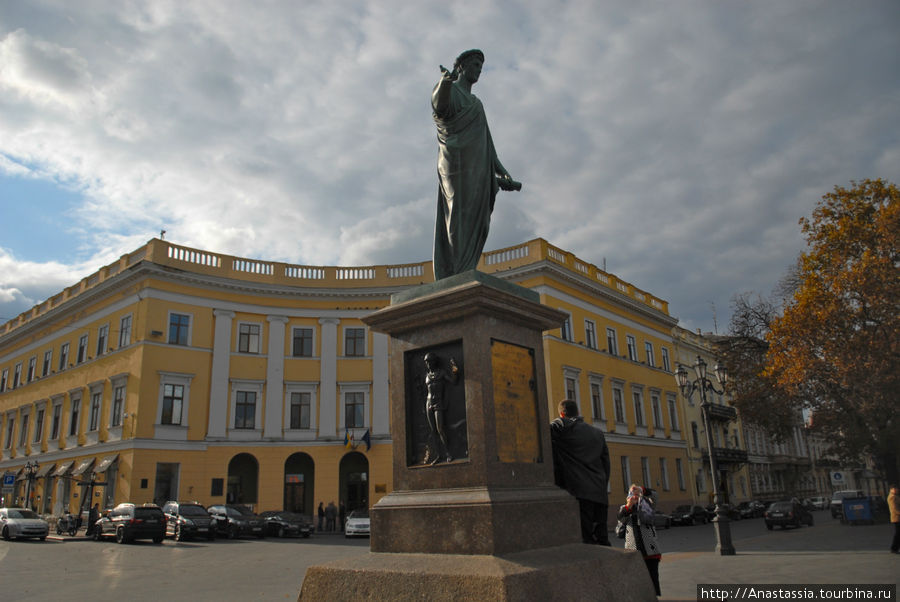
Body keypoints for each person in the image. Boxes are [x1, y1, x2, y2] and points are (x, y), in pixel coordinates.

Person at [431, 49, 520, 280]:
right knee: (457, 211)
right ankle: (456, 271)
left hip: (478, 165)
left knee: (478, 219)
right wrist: (445, 82)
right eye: (475, 65)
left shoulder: (477, 104)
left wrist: (500, 169)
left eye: (481, 66)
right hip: (454, 162)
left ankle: (466, 267)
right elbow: (440, 108)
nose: (479, 70)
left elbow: (487, 142)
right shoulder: (449, 90)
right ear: (461, 67)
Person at [550, 399, 611, 545]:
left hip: (579, 493)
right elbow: (606, 464)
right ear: (578, 412)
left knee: (586, 540)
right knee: (602, 540)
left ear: (561, 414)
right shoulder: (597, 433)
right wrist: (602, 484)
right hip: (600, 493)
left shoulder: (562, 427)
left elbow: (550, 428)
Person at [618, 484, 662, 596]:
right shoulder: (624, 508)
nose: (635, 497)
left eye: (637, 494)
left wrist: (642, 489)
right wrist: (629, 506)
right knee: (636, 582)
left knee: (652, 581)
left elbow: (655, 496)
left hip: (650, 552)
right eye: (633, 494)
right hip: (633, 552)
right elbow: (621, 519)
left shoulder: (647, 505)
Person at [423, 352, 459, 464]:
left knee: (440, 429)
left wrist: (455, 370)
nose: (428, 364)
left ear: (435, 361)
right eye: (426, 362)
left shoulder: (441, 373)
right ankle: (438, 455)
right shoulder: (427, 375)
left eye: (430, 361)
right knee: (433, 431)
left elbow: (453, 381)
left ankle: (448, 453)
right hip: (429, 403)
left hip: (438, 403)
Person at [889, 485, 899, 554]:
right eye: (894, 489)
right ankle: (894, 548)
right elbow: (894, 509)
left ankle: (895, 548)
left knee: (898, 534)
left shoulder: (896, 496)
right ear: (891, 489)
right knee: (898, 534)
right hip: (896, 518)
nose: (896, 490)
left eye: (897, 489)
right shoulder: (892, 497)